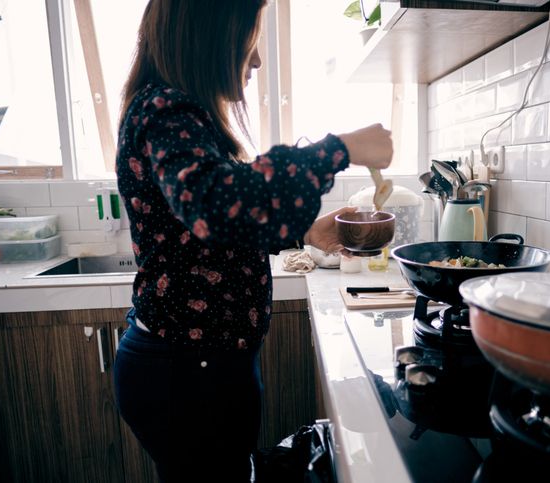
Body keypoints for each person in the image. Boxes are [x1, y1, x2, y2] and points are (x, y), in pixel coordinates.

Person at [112, 1, 393, 482]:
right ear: (211, 32)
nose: (257, 60)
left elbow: (211, 230)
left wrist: (305, 230)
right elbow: (216, 206)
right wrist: (338, 148)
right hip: (185, 372)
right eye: (251, 38)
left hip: (201, 366)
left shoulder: (182, 117)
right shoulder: (165, 109)